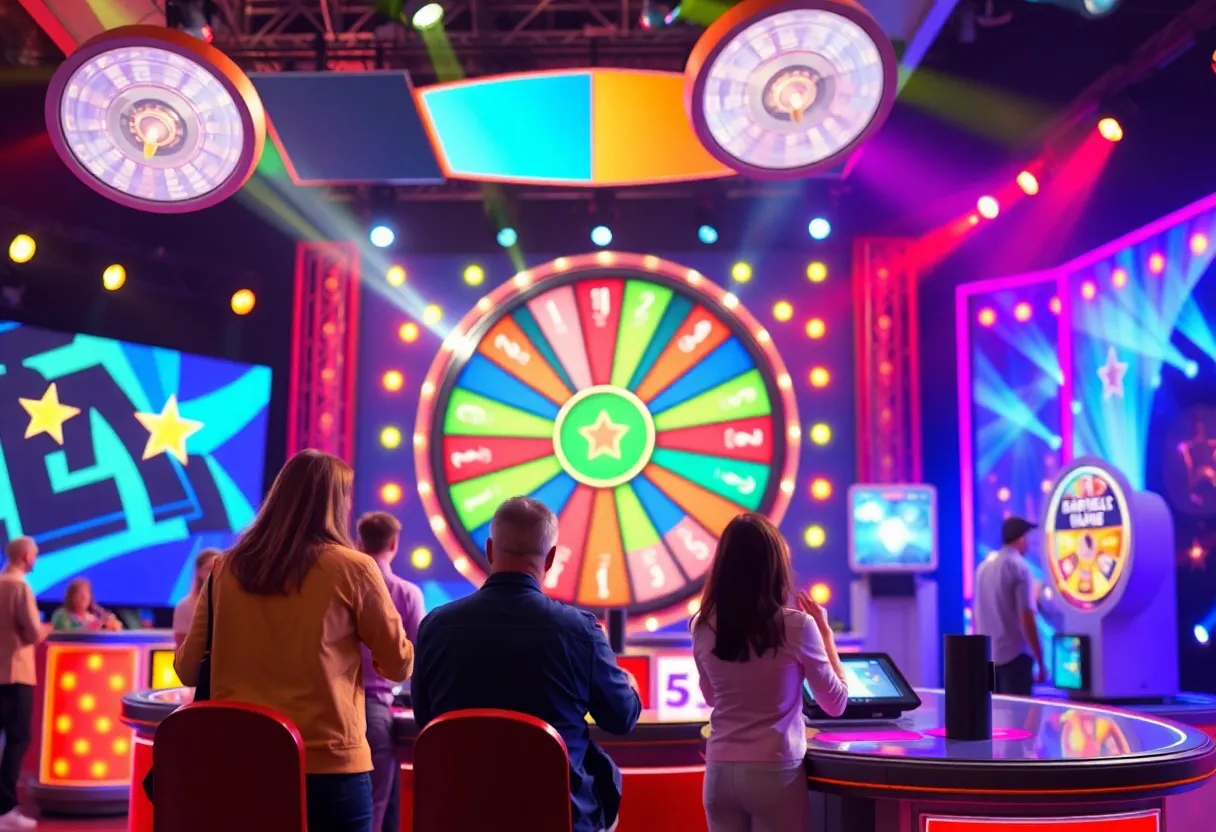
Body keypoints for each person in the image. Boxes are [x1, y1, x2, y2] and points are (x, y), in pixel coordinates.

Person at [175, 450, 414, 832]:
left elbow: (187, 670)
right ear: (335, 505)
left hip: (242, 763)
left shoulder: (225, 569)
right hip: (330, 766)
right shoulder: (353, 567)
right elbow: (399, 663)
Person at [411, 497, 641, 832]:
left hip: (459, 814)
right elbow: (621, 719)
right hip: (557, 815)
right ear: (549, 558)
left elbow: (427, 721)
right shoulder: (581, 631)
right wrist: (629, 685)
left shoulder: (435, 627)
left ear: (490, 551)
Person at [692, 513, 849, 832]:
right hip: (776, 772)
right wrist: (826, 636)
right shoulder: (797, 625)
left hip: (720, 770)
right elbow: (836, 703)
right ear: (775, 566)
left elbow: (711, 696)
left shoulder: (703, 625)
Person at [355, 512, 424, 832]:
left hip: (328, 705)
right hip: (374, 709)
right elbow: (415, 659)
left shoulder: (340, 585)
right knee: (374, 806)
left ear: (359, 541)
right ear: (394, 544)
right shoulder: (408, 593)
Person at [0, 538, 46, 830]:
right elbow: (31, 633)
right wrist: (47, 629)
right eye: (36, 556)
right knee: (17, 740)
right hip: (16, 673)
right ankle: (5, 809)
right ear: (27, 556)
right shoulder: (20, 586)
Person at [974, 516, 1045, 696]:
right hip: (1016, 657)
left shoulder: (983, 569)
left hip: (989, 657)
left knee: (996, 718)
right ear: (1021, 539)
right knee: (1017, 718)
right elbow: (1026, 617)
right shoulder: (1020, 568)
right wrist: (1040, 660)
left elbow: (979, 614)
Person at [172, 549, 221, 648]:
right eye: (210, 568)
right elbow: (181, 647)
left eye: (220, 568)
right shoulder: (185, 606)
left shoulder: (233, 605)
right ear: (199, 572)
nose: (215, 573)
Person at [50, 577, 121, 631]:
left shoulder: (95, 615)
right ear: (71, 596)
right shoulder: (62, 615)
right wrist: (96, 624)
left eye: (87, 593)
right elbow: (67, 635)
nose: (84, 597)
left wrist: (110, 627)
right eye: (79, 593)